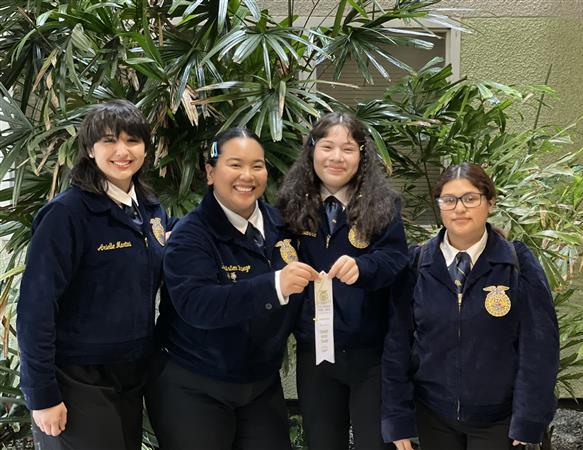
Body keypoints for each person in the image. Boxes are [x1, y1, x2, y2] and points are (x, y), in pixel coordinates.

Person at [146, 127, 318, 450]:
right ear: (211, 172)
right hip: (193, 382)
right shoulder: (190, 235)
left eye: (257, 165)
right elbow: (198, 304)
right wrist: (274, 286)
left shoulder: (285, 226)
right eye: (235, 164)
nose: (247, 176)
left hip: (260, 382)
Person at [17, 99, 174, 450]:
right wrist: (41, 394)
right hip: (77, 377)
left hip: (132, 372)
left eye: (132, 140)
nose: (122, 151)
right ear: (89, 149)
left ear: (145, 149)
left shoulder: (150, 209)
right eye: (108, 140)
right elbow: (35, 309)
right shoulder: (66, 215)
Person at [381, 162, 559, 450]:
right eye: (449, 200)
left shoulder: (517, 263)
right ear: (439, 206)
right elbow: (396, 345)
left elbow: (540, 347)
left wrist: (529, 419)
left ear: (489, 202)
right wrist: (396, 417)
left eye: (470, 198)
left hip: (499, 420)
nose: (459, 208)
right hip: (432, 415)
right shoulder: (417, 264)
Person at [277, 112, 409, 450]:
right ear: (311, 150)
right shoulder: (289, 206)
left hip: (370, 355)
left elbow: (396, 260)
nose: (337, 157)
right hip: (315, 352)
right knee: (322, 442)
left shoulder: (384, 204)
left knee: (374, 443)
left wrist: (364, 268)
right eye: (327, 146)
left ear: (362, 155)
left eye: (348, 149)